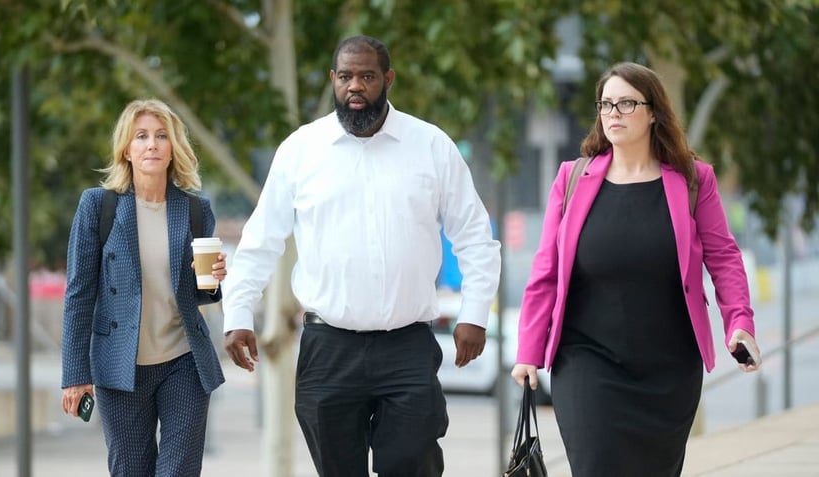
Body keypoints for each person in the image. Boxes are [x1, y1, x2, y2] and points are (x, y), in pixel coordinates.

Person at [222, 35, 501, 476]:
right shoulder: (301, 149)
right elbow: (262, 240)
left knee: (413, 464)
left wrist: (474, 314)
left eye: (367, 76)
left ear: (387, 79)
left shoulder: (431, 145)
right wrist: (237, 313)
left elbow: (474, 237)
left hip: (407, 346)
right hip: (328, 347)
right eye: (346, 77)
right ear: (333, 80)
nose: (356, 87)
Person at [511, 62, 762, 476]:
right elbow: (547, 272)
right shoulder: (571, 178)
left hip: (669, 368)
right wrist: (529, 352)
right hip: (586, 358)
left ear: (653, 113)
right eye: (606, 104)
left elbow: (724, 257)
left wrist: (740, 322)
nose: (613, 113)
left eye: (626, 103)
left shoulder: (694, 180)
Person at [61, 98, 227, 476]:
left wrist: (215, 281)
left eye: (161, 136)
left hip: (183, 362)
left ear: (173, 150)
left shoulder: (195, 211)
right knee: (130, 469)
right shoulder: (97, 207)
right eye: (141, 136)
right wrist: (75, 374)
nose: (152, 144)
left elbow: (199, 293)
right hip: (120, 368)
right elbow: (78, 295)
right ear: (127, 149)